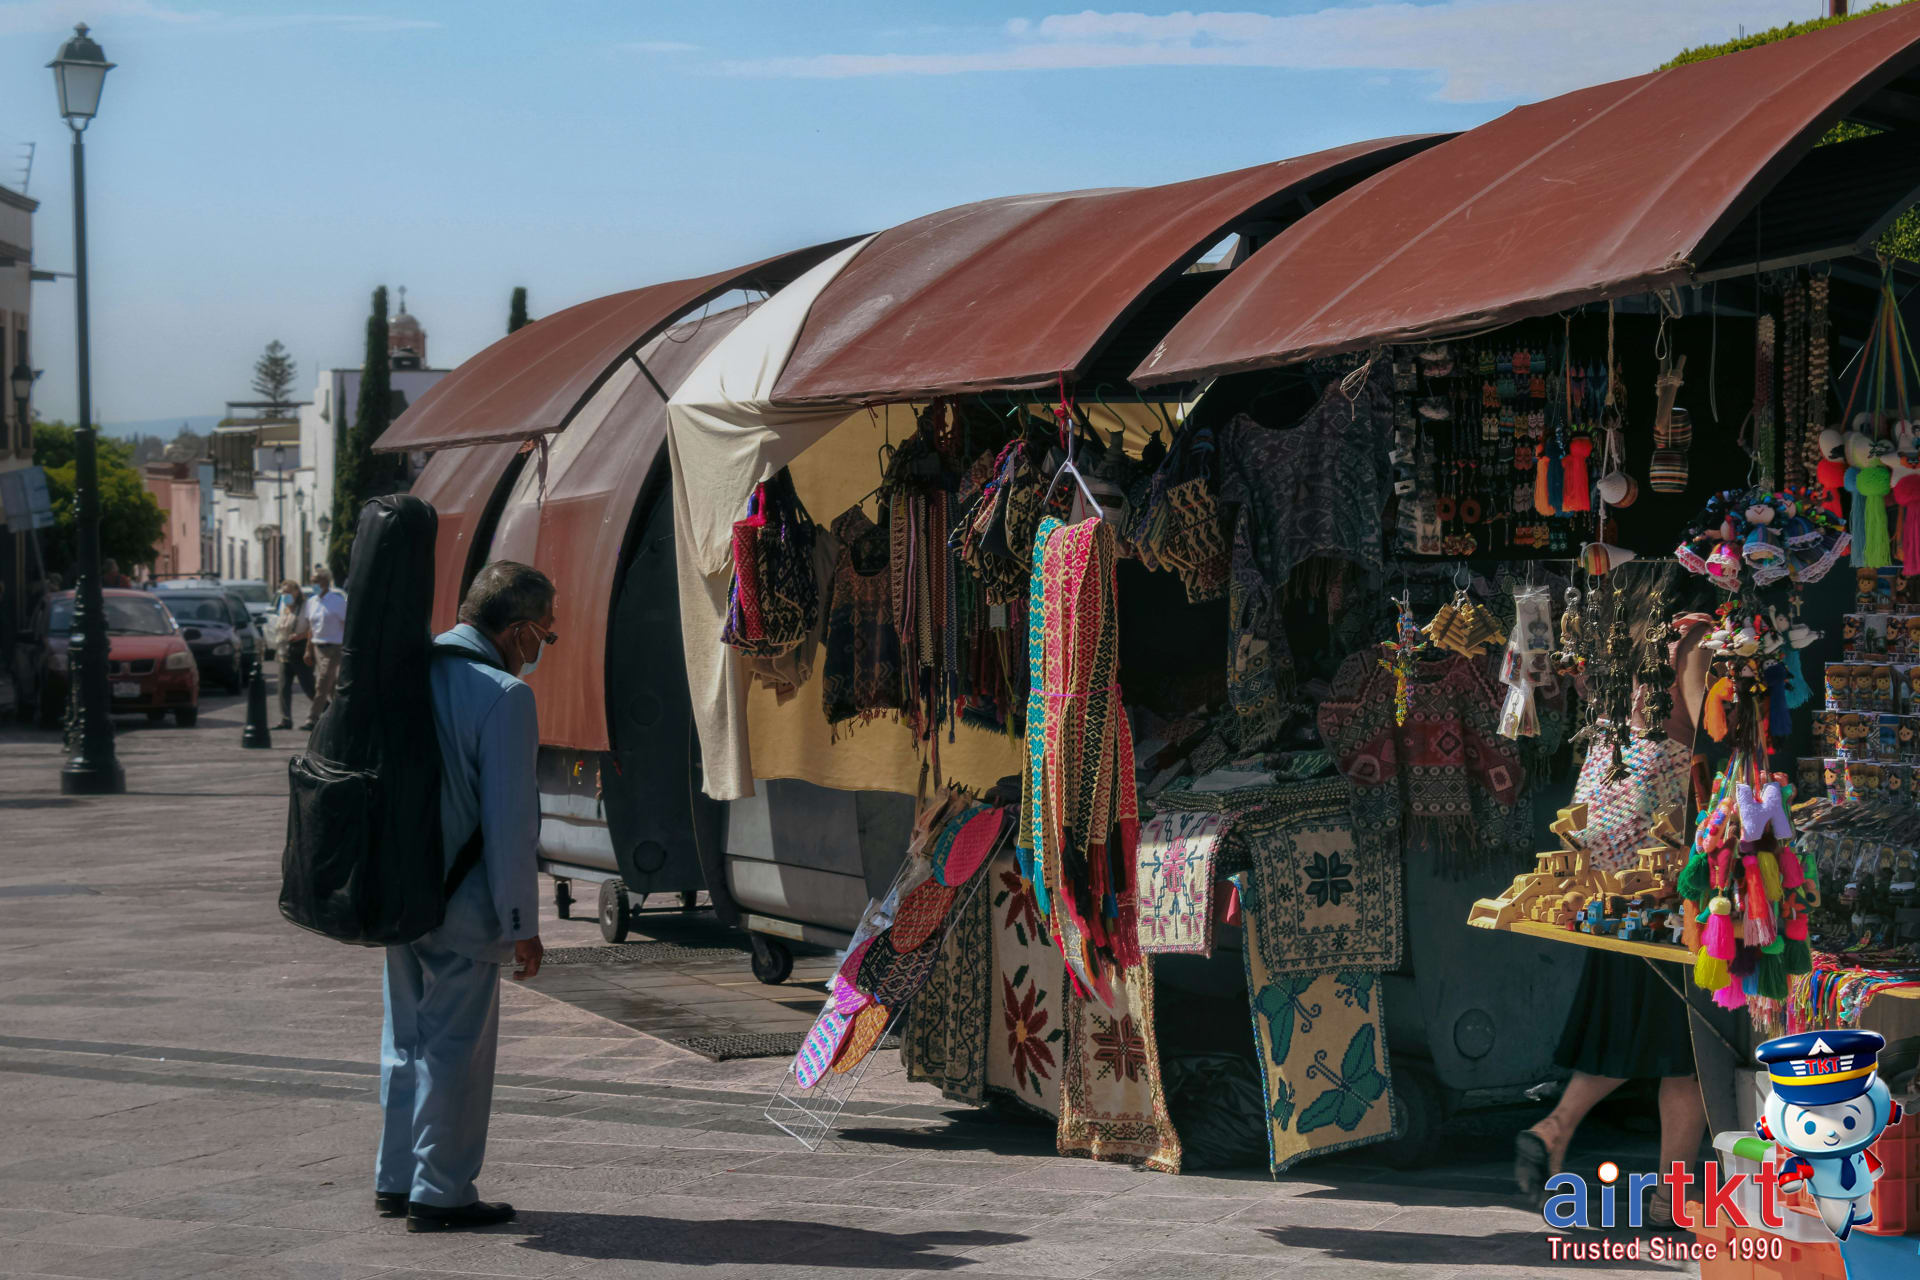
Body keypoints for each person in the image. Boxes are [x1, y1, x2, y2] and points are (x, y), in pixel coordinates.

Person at [377, 560, 551, 1232]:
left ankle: (396, 1177)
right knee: (455, 1048)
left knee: (404, 1040)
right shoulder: (503, 694)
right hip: (466, 905)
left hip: (398, 892)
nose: (542, 648)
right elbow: (511, 825)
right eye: (545, 633)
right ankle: (441, 1190)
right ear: (515, 631)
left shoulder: (408, 673)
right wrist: (521, 925)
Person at [299, 567, 347, 730]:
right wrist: (308, 649)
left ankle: (312, 718)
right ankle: (340, 716)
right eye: (312, 582)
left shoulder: (337, 602)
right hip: (318, 647)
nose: (313, 585)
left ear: (326, 582)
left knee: (323, 681)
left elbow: (347, 624)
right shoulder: (311, 603)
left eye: (316, 581)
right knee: (331, 685)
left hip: (335, 647)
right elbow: (311, 628)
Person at [273, 579, 312, 730]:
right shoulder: (283, 606)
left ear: (296, 592)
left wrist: (300, 636)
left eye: (288, 592)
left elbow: (314, 627)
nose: (285, 595)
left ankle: (325, 711)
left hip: (299, 651)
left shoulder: (305, 607)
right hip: (284, 652)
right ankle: (285, 719)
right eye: (283, 592)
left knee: (308, 686)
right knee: (283, 687)